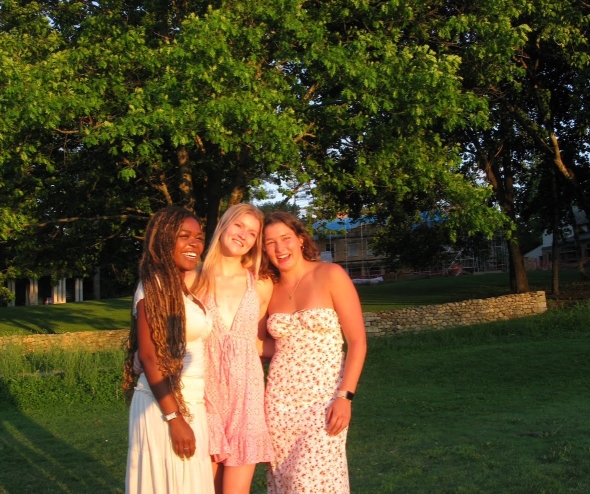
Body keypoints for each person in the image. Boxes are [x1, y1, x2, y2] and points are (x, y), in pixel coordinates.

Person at [262, 212, 367, 494]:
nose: (280, 248)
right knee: (287, 484)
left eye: (285, 239)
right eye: (270, 243)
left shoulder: (330, 274)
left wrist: (345, 396)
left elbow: (357, 341)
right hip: (279, 404)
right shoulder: (267, 289)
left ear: (299, 239)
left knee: (311, 484)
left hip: (325, 401)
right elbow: (263, 345)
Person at [123, 206, 214, 494]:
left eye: (198, 238)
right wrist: (175, 419)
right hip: (165, 406)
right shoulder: (155, 285)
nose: (194, 244)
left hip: (190, 401)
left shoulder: (178, 285)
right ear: (163, 240)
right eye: (183, 236)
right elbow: (150, 356)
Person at [193, 203, 274, 494]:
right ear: (223, 225)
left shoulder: (261, 283)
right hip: (205, 396)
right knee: (205, 489)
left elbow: (262, 341)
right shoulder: (192, 279)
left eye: (252, 233)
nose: (243, 235)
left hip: (247, 398)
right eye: (238, 225)